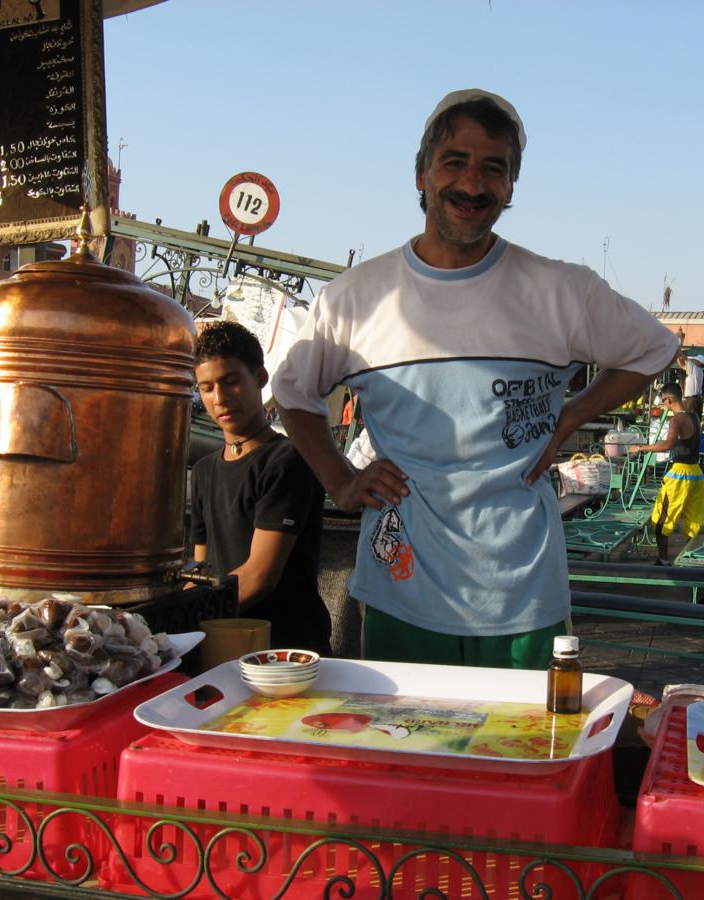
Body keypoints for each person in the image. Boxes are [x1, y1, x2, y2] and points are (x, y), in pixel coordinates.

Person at [272, 88, 679, 670]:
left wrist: (569, 417)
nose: (473, 184)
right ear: (421, 174)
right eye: (455, 162)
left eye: (495, 168)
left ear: (511, 186)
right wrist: (339, 479)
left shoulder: (562, 290)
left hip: (523, 596)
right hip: (401, 590)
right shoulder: (356, 298)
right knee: (407, 749)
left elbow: (653, 350)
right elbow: (291, 392)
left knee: (522, 755)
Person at [191, 322, 332, 654]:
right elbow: (201, 570)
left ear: (260, 378)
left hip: (285, 651)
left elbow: (258, 576)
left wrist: (188, 613)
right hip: (222, 644)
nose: (219, 398)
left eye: (231, 382)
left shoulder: (288, 460)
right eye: (207, 388)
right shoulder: (202, 471)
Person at [627, 383, 704, 566]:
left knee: (663, 519)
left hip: (679, 474)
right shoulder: (694, 416)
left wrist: (641, 448)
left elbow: (668, 444)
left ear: (668, 399)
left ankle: (663, 560)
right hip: (696, 472)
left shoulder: (676, 420)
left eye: (663, 401)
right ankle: (690, 559)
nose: (663, 404)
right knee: (693, 519)